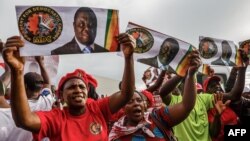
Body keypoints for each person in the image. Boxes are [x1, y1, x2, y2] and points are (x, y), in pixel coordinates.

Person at [3, 33, 135, 140]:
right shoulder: (55, 118)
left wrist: (129, 58)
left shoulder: (98, 109)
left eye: (81, 87)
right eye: (71, 87)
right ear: (60, 95)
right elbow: (24, 120)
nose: (78, 90)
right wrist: (17, 71)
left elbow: (126, 94)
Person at [159, 49, 247, 141]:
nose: (190, 81)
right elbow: (163, 92)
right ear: (180, 85)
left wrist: (242, 69)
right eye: (186, 80)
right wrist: (183, 72)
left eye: (192, 78)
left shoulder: (204, 99)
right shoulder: (174, 101)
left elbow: (234, 95)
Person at [109, 55, 200, 140]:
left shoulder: (158, 116)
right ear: (122, 108)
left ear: (145, 105)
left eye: (139, 100)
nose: (136, 103)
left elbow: (186, 106)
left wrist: (190, 74)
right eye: (130, 101)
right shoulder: (116, 135)